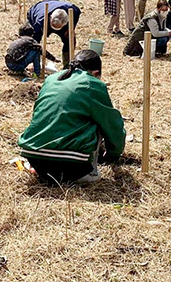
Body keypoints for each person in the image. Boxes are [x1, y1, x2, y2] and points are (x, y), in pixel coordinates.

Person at [18, 49, 126, 184]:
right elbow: (112, 125)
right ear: (96, 73)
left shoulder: (51, 79)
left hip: (34, 156)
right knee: (97, 120)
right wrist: (113, 155)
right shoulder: (92, 84)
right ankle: (89, 172)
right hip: (71, 164)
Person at [27, 0, 81, 68]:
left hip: (58, 16)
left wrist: (71, 28)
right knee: (33, 42)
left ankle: (67, 65)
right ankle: (35, 63)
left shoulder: (72, 10)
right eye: (54, 26)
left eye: (58, 27)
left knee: (70, 40)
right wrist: (50, 57)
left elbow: (78, 12)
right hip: (38, 11)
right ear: (50, 18)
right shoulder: (39, 22)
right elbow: (35, 43)